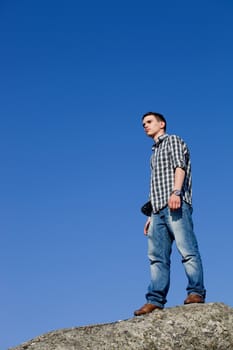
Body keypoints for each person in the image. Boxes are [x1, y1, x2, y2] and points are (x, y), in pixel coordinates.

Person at [134, 112, 206, 316]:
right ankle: (155, 300)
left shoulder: (172, 140)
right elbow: (154, 187)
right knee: (157, 257)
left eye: (149, 122)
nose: (145, 126)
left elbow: (179, 166)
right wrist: (150, 216)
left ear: (161, 123)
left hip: (175, 204)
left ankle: (196, 292)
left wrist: (176, 192)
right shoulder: (153, 154)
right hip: (157, 210)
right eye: (143, 124)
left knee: (187, 250)